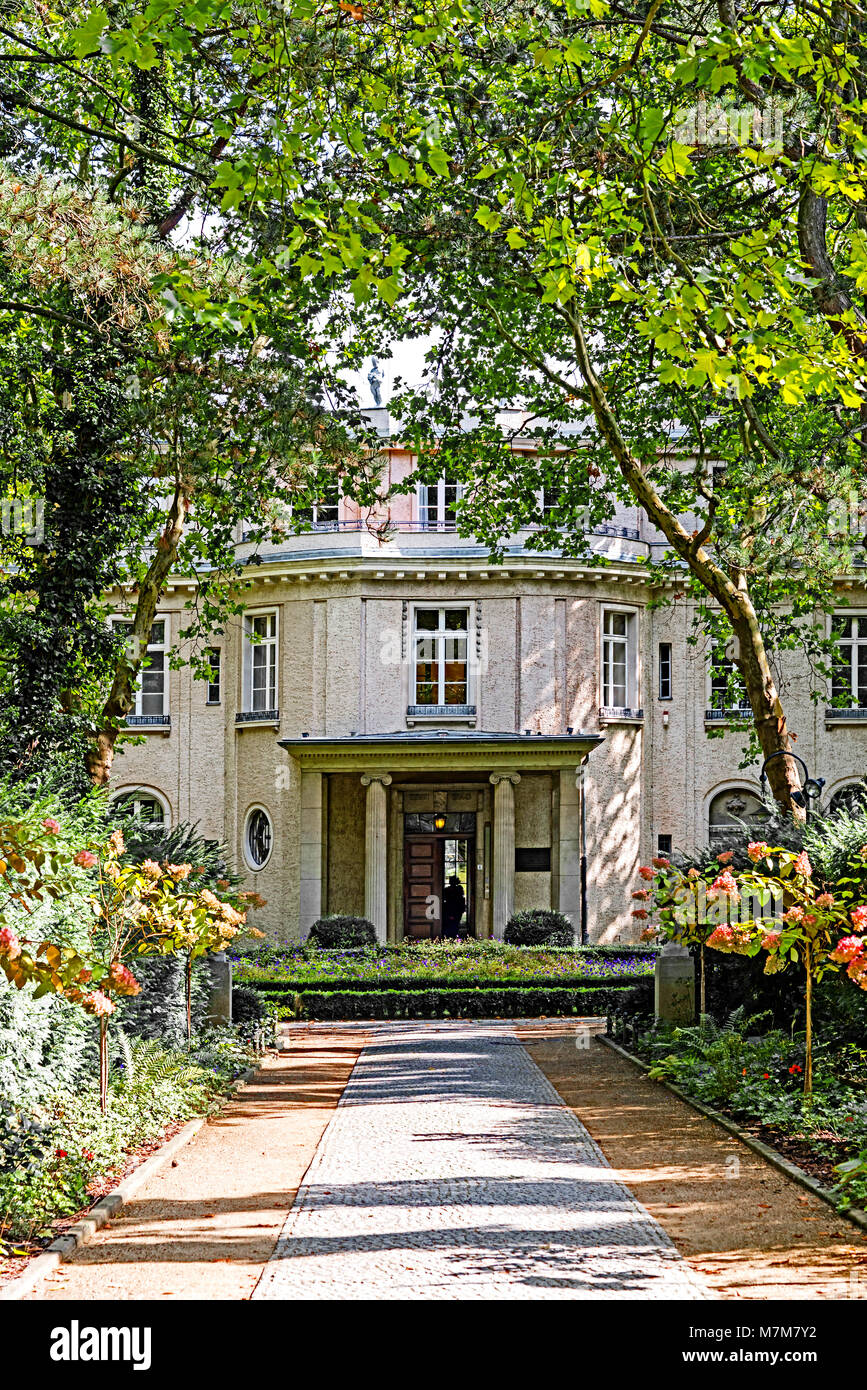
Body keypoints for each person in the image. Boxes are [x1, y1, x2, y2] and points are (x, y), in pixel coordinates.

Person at [442, 874, 466, 939]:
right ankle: (454, 936)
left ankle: (449, 937)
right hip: (457, 909)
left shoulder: (446, 890)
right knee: (455, 924)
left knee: (449, 924)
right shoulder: (459, 889)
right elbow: (462, 899)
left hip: (449, 908)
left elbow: (444, 899)